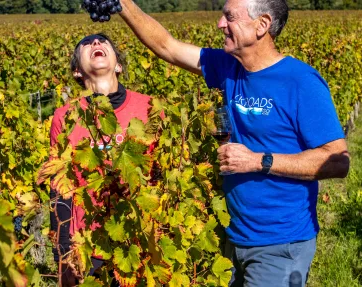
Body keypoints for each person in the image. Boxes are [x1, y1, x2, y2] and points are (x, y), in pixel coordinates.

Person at [116, 0, 350, 286]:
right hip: (233, 237)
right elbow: (167, 46)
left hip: (280, 242)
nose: (219, 24)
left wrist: (259, 160)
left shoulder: (301, 82)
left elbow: (338, 160)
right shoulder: (227, 67)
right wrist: (122, 3)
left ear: (262, 25)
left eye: (230, 17)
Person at [49, 33, 152, 286]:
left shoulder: (149, 109)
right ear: (76, 72)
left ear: (118, 65)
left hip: (139, 245)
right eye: (86, 43)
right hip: (86, 248)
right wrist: (63, 254)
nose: (95, 43)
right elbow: (60, 190)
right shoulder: (65, 117)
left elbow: (160, 179)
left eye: (103, 40)